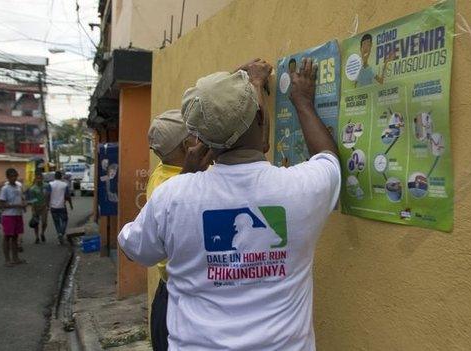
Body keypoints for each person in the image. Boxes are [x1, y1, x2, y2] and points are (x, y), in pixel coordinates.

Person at [118, 58, 340, 350]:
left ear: (200, 139)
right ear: (261, 119)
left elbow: (133, 247)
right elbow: (328, 158)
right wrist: (302, 102)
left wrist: (185, 179)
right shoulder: (301, 188)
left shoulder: (172, 197)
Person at [146, 109, 197, 351]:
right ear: (188, 145)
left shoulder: (162, 170)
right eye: (196, 134)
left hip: (166, 292)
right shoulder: (175, 187)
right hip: (180, 298)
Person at [0, 168, 26, 266]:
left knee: (15, 237)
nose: (14, 178)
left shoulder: (19, 186)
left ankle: (16, 258)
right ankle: (7, 260)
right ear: (8, 177)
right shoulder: (5, 188)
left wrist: (23, 204)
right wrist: (16, 206)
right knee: (7, 237)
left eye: (15, 176)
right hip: (8, 215)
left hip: (18, 214)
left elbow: (21, 198)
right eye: (11, 176)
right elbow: (1, 204)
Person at [48, 171, 73, 245]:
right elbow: (68, 196)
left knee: (57, 222)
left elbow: (47, 195)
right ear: (61, 177)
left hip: (53, 207)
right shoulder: (64, 185)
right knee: (65, 220)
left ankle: (59, 234)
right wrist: (71, 205)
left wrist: (47, 205)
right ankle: (61, 233)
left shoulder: (50, 184)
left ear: (55, 176)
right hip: (62, 206)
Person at [27, 173, 50, 244]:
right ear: (35, 179)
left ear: (42, 178)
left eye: (40, 178)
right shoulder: (32, 189)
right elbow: (32, 200)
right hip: (36, 207)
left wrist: (47, 205)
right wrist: (33, 210)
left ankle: (42, 233)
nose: (39, 179)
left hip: (44, 207)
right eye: (37, 178)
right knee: (35, 223)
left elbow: (48, 195)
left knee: (44, 222)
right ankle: (37, 237)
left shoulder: (46, 186)